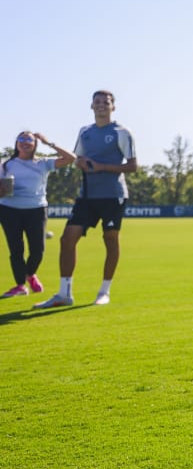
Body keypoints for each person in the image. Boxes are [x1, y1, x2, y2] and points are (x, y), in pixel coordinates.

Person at [36, 91, 137, 308]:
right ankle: (64, 294)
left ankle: (104, 292)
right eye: (97, 102)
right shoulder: (85, 132)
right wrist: (80, 162)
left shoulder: (122, 132)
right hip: (87, 195)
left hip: (113, 195)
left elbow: (132, 166)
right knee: (67, 239)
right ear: (91, 106)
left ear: (113, 107)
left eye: (106, 102)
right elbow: (76, 158)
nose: (101, 105)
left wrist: (101, 167)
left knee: (110, 239)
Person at [1, 132, 75, 298]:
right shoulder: (6, 164)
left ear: (35, 144)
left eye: (29, 139)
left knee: (38, 250)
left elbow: (71, 158)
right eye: (21, 139)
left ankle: (30, 274)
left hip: (36, 210)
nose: (25, 142)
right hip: (9, 210)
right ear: (16, 143)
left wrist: (49, 143)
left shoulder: (43, 163)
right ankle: (20, 285)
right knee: (16, 249)